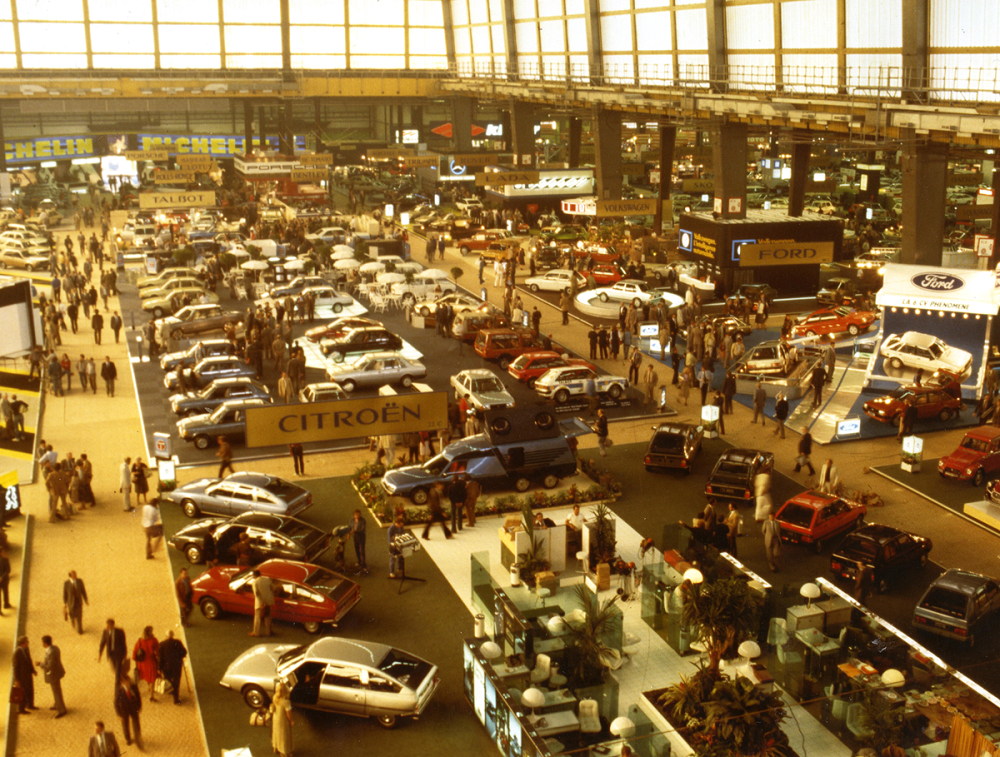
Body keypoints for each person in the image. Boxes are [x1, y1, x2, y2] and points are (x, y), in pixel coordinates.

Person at [158, 631, 187, 705]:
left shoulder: (162, 644)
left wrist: (159, 668)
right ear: (172, 636)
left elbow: (160, 658)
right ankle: (176, 698)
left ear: (166, 636)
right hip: (176, 666)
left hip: (166, 667)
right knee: (176, 681)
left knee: (168, 679)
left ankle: (170, 690)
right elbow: (184, 652)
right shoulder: (178, 642)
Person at [114, 672, 142, 748]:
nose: (127, 683)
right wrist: (119, 715)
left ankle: (138, 736)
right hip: (124, 710)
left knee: (136, 722)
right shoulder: (119, 691)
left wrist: (139, 706)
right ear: (122, 683)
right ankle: (128, 738)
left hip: (133, 708)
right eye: (125, 682)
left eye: (128, 681)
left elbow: (138, 696)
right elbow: (116, 703)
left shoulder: (133, 687)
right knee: (125, 725)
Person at [131, 627, 159, 702]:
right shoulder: (153, 640)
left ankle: (148, 688)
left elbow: (134, 653)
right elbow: (157, 651)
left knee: (146, 677)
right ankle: (152, 696)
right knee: (152, 679)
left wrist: (136, 661)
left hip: (142, 663)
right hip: (150, 663)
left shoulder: (139, 640)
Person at [12, 636, 37, 714]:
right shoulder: (17, 652)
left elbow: (29, 660)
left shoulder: (26, 649)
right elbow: (16, 667)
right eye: (27, 641)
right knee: (23, 692)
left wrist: (33, 670)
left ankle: (30, 705)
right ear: (22, 643)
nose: (28, 642)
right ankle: (21, 709)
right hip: (22, 676)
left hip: (28, 674)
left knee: (30, 689)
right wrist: (17, 679)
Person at [270, 680, 294, 757]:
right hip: (283, 721)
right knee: (284, 736)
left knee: (276, 733)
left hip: (276, 718)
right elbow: (288, 714)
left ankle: (275, 748)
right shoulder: (286, 702)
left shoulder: (275, 697)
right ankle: (284, 753)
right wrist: (291, 721)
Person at [251, 569, 276, 637]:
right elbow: (273, 588)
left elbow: (256, 593)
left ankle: (256, 632)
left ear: (254, 576)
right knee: (268, 615)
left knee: (257, 617)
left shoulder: (255, 582)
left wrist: (262, 603)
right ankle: (268, 632)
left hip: (260, 602)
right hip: (268, 600)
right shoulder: (267, 579)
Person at [63, 570, 89, 634]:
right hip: (70, 602)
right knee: (72, 615)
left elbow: (83, 590)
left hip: (78, 602)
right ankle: (72, 621)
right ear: (70, 576)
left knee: (79, 616)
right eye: (74, 574)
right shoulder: (66, 583)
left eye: (75, 574)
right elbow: (65, 594)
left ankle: (80, 630)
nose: (75, 575)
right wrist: (64, 603)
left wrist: (86, 599)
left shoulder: (80, 581)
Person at [350, 509, 367, 573]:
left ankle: (364, 565)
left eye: (358, 515)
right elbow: (350, 526)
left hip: (361, 537)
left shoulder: (363, 520)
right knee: (356, 549)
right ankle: (359, 561)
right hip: (355, 537)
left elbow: (362, 529)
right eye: (356, 515)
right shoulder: (352, 520)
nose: (357, 516)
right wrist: (349, 533)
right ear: (354, 515)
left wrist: (355, 531)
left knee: (362, 551)